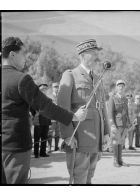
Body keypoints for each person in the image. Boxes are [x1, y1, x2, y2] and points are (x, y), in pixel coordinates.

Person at [1, 37, 87, 184]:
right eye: (23, 54)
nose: (25, 59)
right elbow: (45, 107)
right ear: (12, 55)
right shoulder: (21, 79)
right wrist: (73, 117)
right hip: (15, 147)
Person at [57, 39, 110, 184]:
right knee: (79, 178)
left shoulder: (98, 78)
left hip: (96, 138)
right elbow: (62, 108)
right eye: (93, 53)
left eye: (96, 53)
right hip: (79, 137)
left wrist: (106, 133)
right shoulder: (70, 75)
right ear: (82, 55)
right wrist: (68, 135)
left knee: (89, 178)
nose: (96, 57)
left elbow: (103, 108)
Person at [108, 80, 130, 167]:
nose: (121, 87)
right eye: (119, 86)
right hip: (116, 124)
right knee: (115, 142)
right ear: (116, 87)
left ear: (124, 88)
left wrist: (128, 123)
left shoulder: (125, 99)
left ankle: (120, 160)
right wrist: (112, 124)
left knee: (121, 142)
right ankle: (115, 161)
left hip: (124, 124)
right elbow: (110, 113)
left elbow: (126, 112)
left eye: (122, 86)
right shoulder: (112, 98)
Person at [31, 84, 51, 158]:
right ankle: (36, 153)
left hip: (46, 121)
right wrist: (34, 115)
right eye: (42, 89)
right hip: (38, 121)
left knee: (44, 138)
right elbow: (31, 108)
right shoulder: (35, 100)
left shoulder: (48, 99)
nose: (44, 90)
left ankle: (43, 152)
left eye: (45, 89)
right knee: (37, 138)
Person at [48, 82, 61, 152]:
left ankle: (56, 147)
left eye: (57, 86)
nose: (56, 88)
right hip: (51, 117)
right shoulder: (49, 96)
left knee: (57, 132)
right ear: (52, 88)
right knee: (50, 132)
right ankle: (49, 148)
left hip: (59, 117)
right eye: (55, 87)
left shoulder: (60, 96)